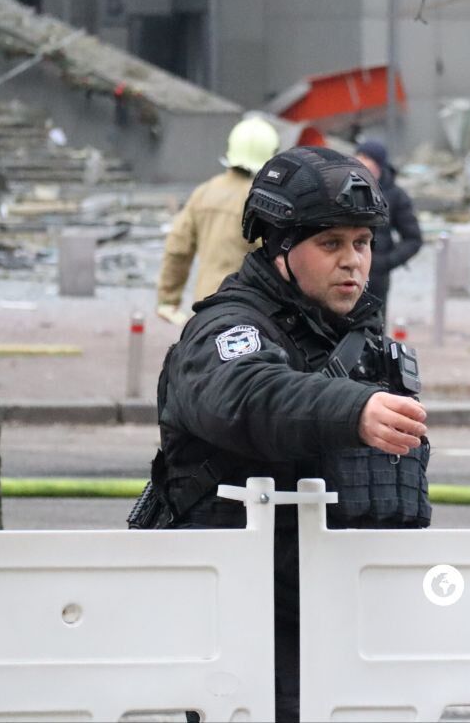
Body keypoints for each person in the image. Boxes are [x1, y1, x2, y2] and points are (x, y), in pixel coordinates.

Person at [145, 146, 431, 722]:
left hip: (340, 619)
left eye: (362, 243)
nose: (353, 261)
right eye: (330, 244)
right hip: (237, 630)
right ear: (279, 250)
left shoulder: (351, 334)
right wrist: (355, 409)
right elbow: (247, 394)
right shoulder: (228, 328)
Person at [155, 115, 281, 324]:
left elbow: (177, 248)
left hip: (206, 306)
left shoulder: (204, 192)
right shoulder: (265, 201)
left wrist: (168, 299)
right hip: (254, 311)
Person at [352, 140, 423, 327]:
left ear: (378, 164)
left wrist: (385, 263)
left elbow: (413, 239)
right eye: (359, 156)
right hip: (347, 270)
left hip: (376, 277)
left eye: (366, 158)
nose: (361, 161)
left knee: (373, 329)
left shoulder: (396, 195)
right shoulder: (345, 188)